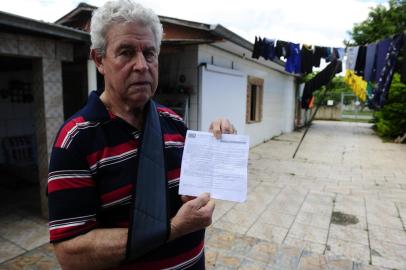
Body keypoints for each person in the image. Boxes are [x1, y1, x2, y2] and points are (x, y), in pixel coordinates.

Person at [47, 0, 236, 269]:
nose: (141, 65)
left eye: (149, 53)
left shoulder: (175, 123)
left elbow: (193, 192)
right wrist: (172, 229)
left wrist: (221, 146)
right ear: (99, 60)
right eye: (126, 52)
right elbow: (70, 253)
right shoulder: (75, 139)